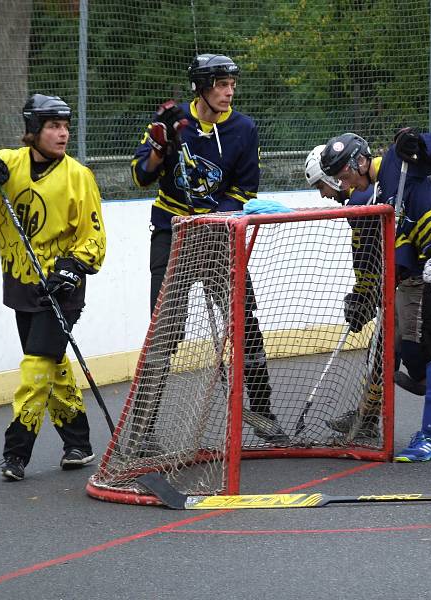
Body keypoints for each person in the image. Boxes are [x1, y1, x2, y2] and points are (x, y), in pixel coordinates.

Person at [0, 94, 107, 481]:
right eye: (53, 126)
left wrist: (71, 267)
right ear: (32, 130)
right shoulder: (9, 165)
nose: (63, 133)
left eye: (65, 126)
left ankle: (16, 453)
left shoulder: (79, 176)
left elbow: (93, 239)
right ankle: (78, 443)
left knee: (35, 368)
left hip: (61, 291)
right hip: (22, 284)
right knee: (52, 366)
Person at [131, 53, 287, 444]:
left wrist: (211, 218)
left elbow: (244, 190)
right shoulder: (171, 122)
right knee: (164, 331)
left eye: (232, 83)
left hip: (217, 235)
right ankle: (142, 431)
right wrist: (158, 147)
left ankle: (263, 413)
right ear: (201, 87)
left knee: (245, 322)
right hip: (173, 233)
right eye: (220, 83)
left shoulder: (244, 128)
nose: (228, 91)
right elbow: (140, 178)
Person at [321, 131, 431, 461]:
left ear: (359, 162)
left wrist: (418, 142)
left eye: (342, 175)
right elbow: (402, 249)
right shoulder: (381, 191)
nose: (341, 183)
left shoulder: (396, 161)